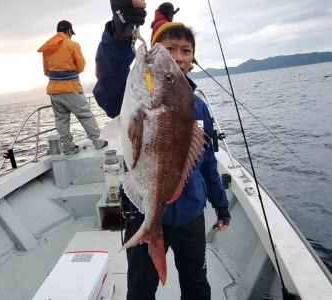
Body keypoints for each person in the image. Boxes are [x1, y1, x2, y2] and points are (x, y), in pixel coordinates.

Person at [93, 1, 231, 299]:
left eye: (185, 50)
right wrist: (119, 34)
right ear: (152, 54)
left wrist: (220, 204)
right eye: (168, 49)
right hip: (142, 208)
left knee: (196, 282)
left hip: (191, 213)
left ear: (192, 61)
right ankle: (149, 231)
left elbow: (207, 162)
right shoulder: (132, 97)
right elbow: (106, 85)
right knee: (141, 288)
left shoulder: (200, 108)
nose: (177, 57)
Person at [37, 20, 108, 154]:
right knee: (85, 114)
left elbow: (46, 71)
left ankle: (68, 146)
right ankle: (97, 141)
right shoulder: (72, 45)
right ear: (69, 31)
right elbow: (81, 66)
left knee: (61, 119)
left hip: (54, 90)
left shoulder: (47, 48)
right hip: (70, 88)